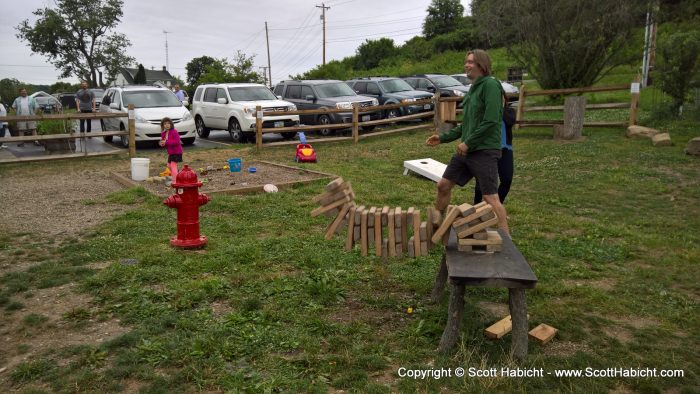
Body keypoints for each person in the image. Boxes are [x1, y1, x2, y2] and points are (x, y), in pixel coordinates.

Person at [426, 49, 510, 235]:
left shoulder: (490, 85)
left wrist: (468, 143)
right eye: (466, 61)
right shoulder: (474, 88)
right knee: (443, 185)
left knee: (490, 197)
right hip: (466, 151)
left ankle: (506, 238)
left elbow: (491, 121)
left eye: (471, 62)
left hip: (484, 150)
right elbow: (468, 124)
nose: (466, 65)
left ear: (482, 64)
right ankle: (437, 224)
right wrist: (442, 137)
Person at [474, 98, 516, 204]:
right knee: (482, 182)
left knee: (507, 179)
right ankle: (476, 206)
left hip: (505, 150)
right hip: (487, 149)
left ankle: (496, 206)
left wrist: (498, 107)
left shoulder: (509, 111)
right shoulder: (484, 111)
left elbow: (510, 121)